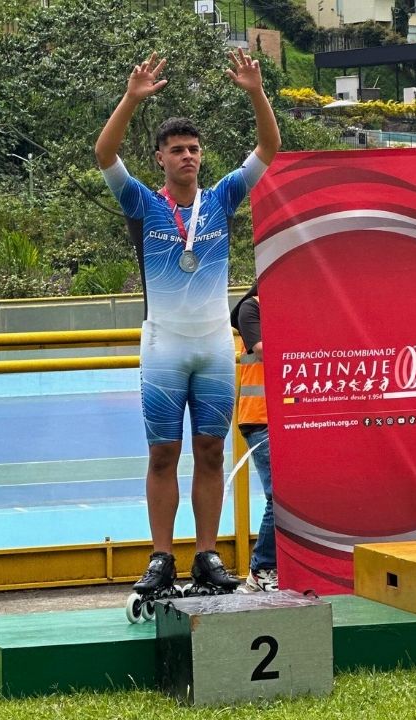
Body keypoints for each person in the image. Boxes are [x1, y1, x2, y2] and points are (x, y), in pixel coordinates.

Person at [95, 49, 280, 616]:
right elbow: (104, 153)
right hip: (164, 345)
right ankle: (159, 556)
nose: (189, 157)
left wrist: (255, 91)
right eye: (178, 150)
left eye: (195, 149)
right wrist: (131, 98)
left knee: (210, 451)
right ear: (160, 159)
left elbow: (268, 150)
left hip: (211, 347)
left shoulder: (221, 198)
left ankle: (205, 554)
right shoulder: (143, 202)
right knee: (161, 454)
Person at [230, 284, 279, 592]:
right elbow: (261, 350)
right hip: (260, 417)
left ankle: (267, 569)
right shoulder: (253, 307)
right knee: (280, 496)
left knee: (288, 496)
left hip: (286, 418)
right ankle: (261, 570)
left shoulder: (287, 309)